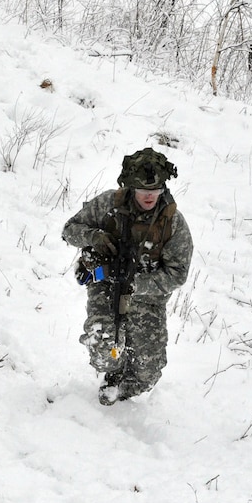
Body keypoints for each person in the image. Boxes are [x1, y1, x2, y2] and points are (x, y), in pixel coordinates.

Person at [62, 147, 193, 405]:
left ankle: (121, 387)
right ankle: (113, 369)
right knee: (102, 347)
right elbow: (69, 230)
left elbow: (177, 274)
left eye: (155, 192)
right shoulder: (109, 204)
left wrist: (138, 285)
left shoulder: (173, 223)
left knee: (148, 372)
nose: (149, 197)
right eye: (144, 192)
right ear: (131, 188)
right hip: (106, 287)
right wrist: (94, 237)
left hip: (148, 298)